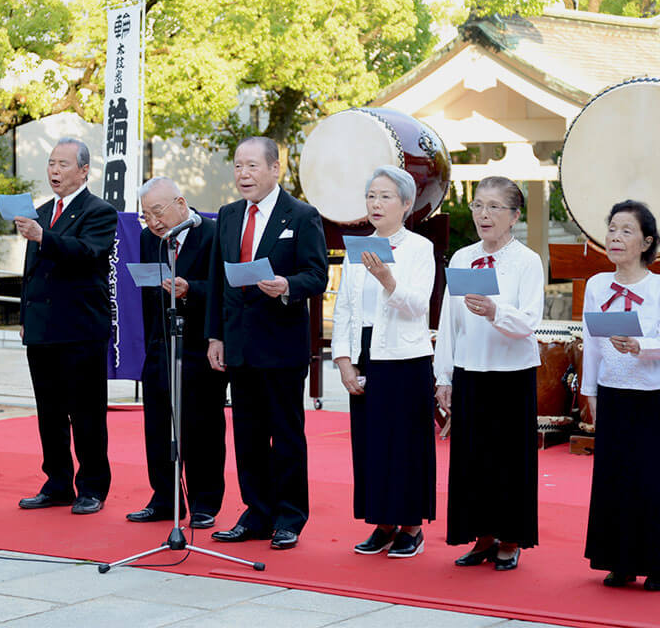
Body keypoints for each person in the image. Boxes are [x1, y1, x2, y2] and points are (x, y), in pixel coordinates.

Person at [206, 136, 328, 550]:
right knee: (248, 436)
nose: (243, 174)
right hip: (239, 345)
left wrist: (286, 286)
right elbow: (219, 281)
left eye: (252, 166)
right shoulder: (227, 215)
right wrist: (215, 336)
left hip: (280, 347)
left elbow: (317, 275)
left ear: (275, 169)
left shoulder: (302, 215)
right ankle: (256, 512)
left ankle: (290, 517)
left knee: (286, 436)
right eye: (238, 166)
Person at [434, 176, 543, 572]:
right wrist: (444, 376)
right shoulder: (462, 258)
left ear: (514, 216)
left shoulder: (527, 262)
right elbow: (449, 322)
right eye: (479, 205)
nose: (483, 214)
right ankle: (480, 535)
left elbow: (530, 321)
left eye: (495, 207)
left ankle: (510, 538)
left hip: (511, 374)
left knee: (509, 459)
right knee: (472, 459)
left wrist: (496, 311)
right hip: (471, 370)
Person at [332, 165, 436, 559]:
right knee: (371, 443)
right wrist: (343, 361)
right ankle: (382, 523)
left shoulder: (418, 248)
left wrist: (388, 279)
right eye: (371, 196)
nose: (376, 204)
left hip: (405, 356)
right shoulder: (358, 246)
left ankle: (411, 526)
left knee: (405, 444)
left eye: (385, 196)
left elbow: (418, 305)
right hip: (365, 350)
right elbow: (343, 308)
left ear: (406, 204)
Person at [16, 138, 117, 515]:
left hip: (80, 329)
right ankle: (57, 481)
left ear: (84, 170)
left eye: (63, 164)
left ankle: (92, 485)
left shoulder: (99, 211)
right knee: (50, 411)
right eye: (51, 163)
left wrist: (45, 237)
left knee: (86, 411)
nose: (54, 171)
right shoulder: (41, 212)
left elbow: (88, 253)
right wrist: (25, 319)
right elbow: (31, 272)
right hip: (42, 328)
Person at [126, 176, 226, 529]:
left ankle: (204, 501)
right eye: (146, 215)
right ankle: (164, 497)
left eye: (158, 212)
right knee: (157, 424)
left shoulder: (212, 235)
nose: (153, 222)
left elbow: (223, 288)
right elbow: (146, 293)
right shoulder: (146, 238)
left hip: (200, 344)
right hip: (161, 343)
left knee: (202, 426)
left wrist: (190, 291)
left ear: (180, 204)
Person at [581, 200, 660, 591]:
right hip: (612, 392)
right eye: (612, 228)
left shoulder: (658, 288)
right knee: (614, 477)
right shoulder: (597, 285)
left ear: (646, 242)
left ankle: (656, 562)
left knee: (650, 479)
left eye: (626, 230)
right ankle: (620, 559)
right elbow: (591, 345)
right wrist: (590, 392)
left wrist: (640, 346)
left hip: (651, 396)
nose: (615, 236)